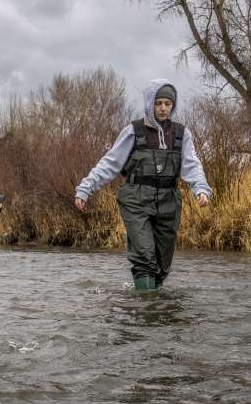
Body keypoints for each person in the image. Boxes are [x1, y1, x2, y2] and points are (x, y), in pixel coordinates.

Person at [74, 79, 211, 291]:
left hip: (168, 202)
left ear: (173, 105)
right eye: (158, 103)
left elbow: (192, 165)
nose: (163, 108)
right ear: (150, 104)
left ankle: (151, 305)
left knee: (162, 265)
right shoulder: (134, 131)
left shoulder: (182, 134)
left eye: (167, 103)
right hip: (136, 201)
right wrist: (85, 188)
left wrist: (200, 189)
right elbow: (110, 162)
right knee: (145, 259)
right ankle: (146, 310)